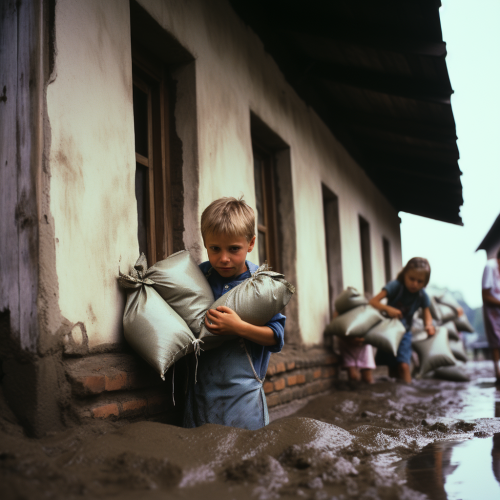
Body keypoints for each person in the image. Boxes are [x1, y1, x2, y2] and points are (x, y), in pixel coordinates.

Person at [183, 197, 285, 430]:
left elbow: (276, 338)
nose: (224, 258)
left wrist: (239, 328)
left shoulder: (260, 285)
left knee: (247, 456)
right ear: (205, 243)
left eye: (234, 249)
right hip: (201, 393)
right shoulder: (199, 277)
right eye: (215, 249)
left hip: (244, 398)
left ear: (251, 244)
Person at [369, 257, 436, 383]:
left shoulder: (421, 295)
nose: (415, 284)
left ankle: (409, 394)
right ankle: (396, 396)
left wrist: (429, 326)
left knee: (404, 365)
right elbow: (373, 302)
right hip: (388, 332)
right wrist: (388, 309)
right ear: (405, 274)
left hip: (405, 333)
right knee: (392, 367)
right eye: (411, 279)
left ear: (425, 283)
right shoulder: (395, 286)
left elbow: (427, 314)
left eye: (420, 281)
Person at [332, 311, 375, 383]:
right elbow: (336, 326)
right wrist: (349, 339)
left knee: (367, 379)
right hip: (347, 345)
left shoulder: (364, 308)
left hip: (363, 347)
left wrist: (363, 339)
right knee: (353, 377)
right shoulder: (341, 308)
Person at [481, 248, 500, 382]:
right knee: (496, 342)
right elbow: (486, 296)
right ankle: (498, 374)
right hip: (493, 312)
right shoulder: (490, 266)